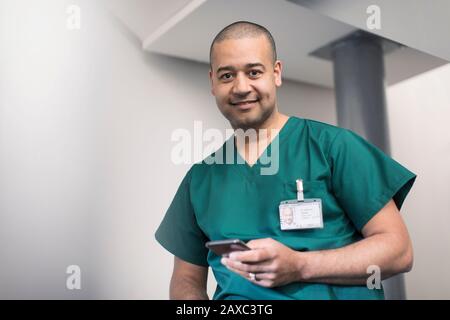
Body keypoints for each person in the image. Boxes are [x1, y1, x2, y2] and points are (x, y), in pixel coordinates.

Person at [155, 21, 417, 300]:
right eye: (227, 76)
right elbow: (186, 279)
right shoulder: (201, 178)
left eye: (254, 72)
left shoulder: (334, 147)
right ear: (213, 83)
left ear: (276, 73)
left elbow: (398, 251)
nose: (241, 87)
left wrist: (301, 266)